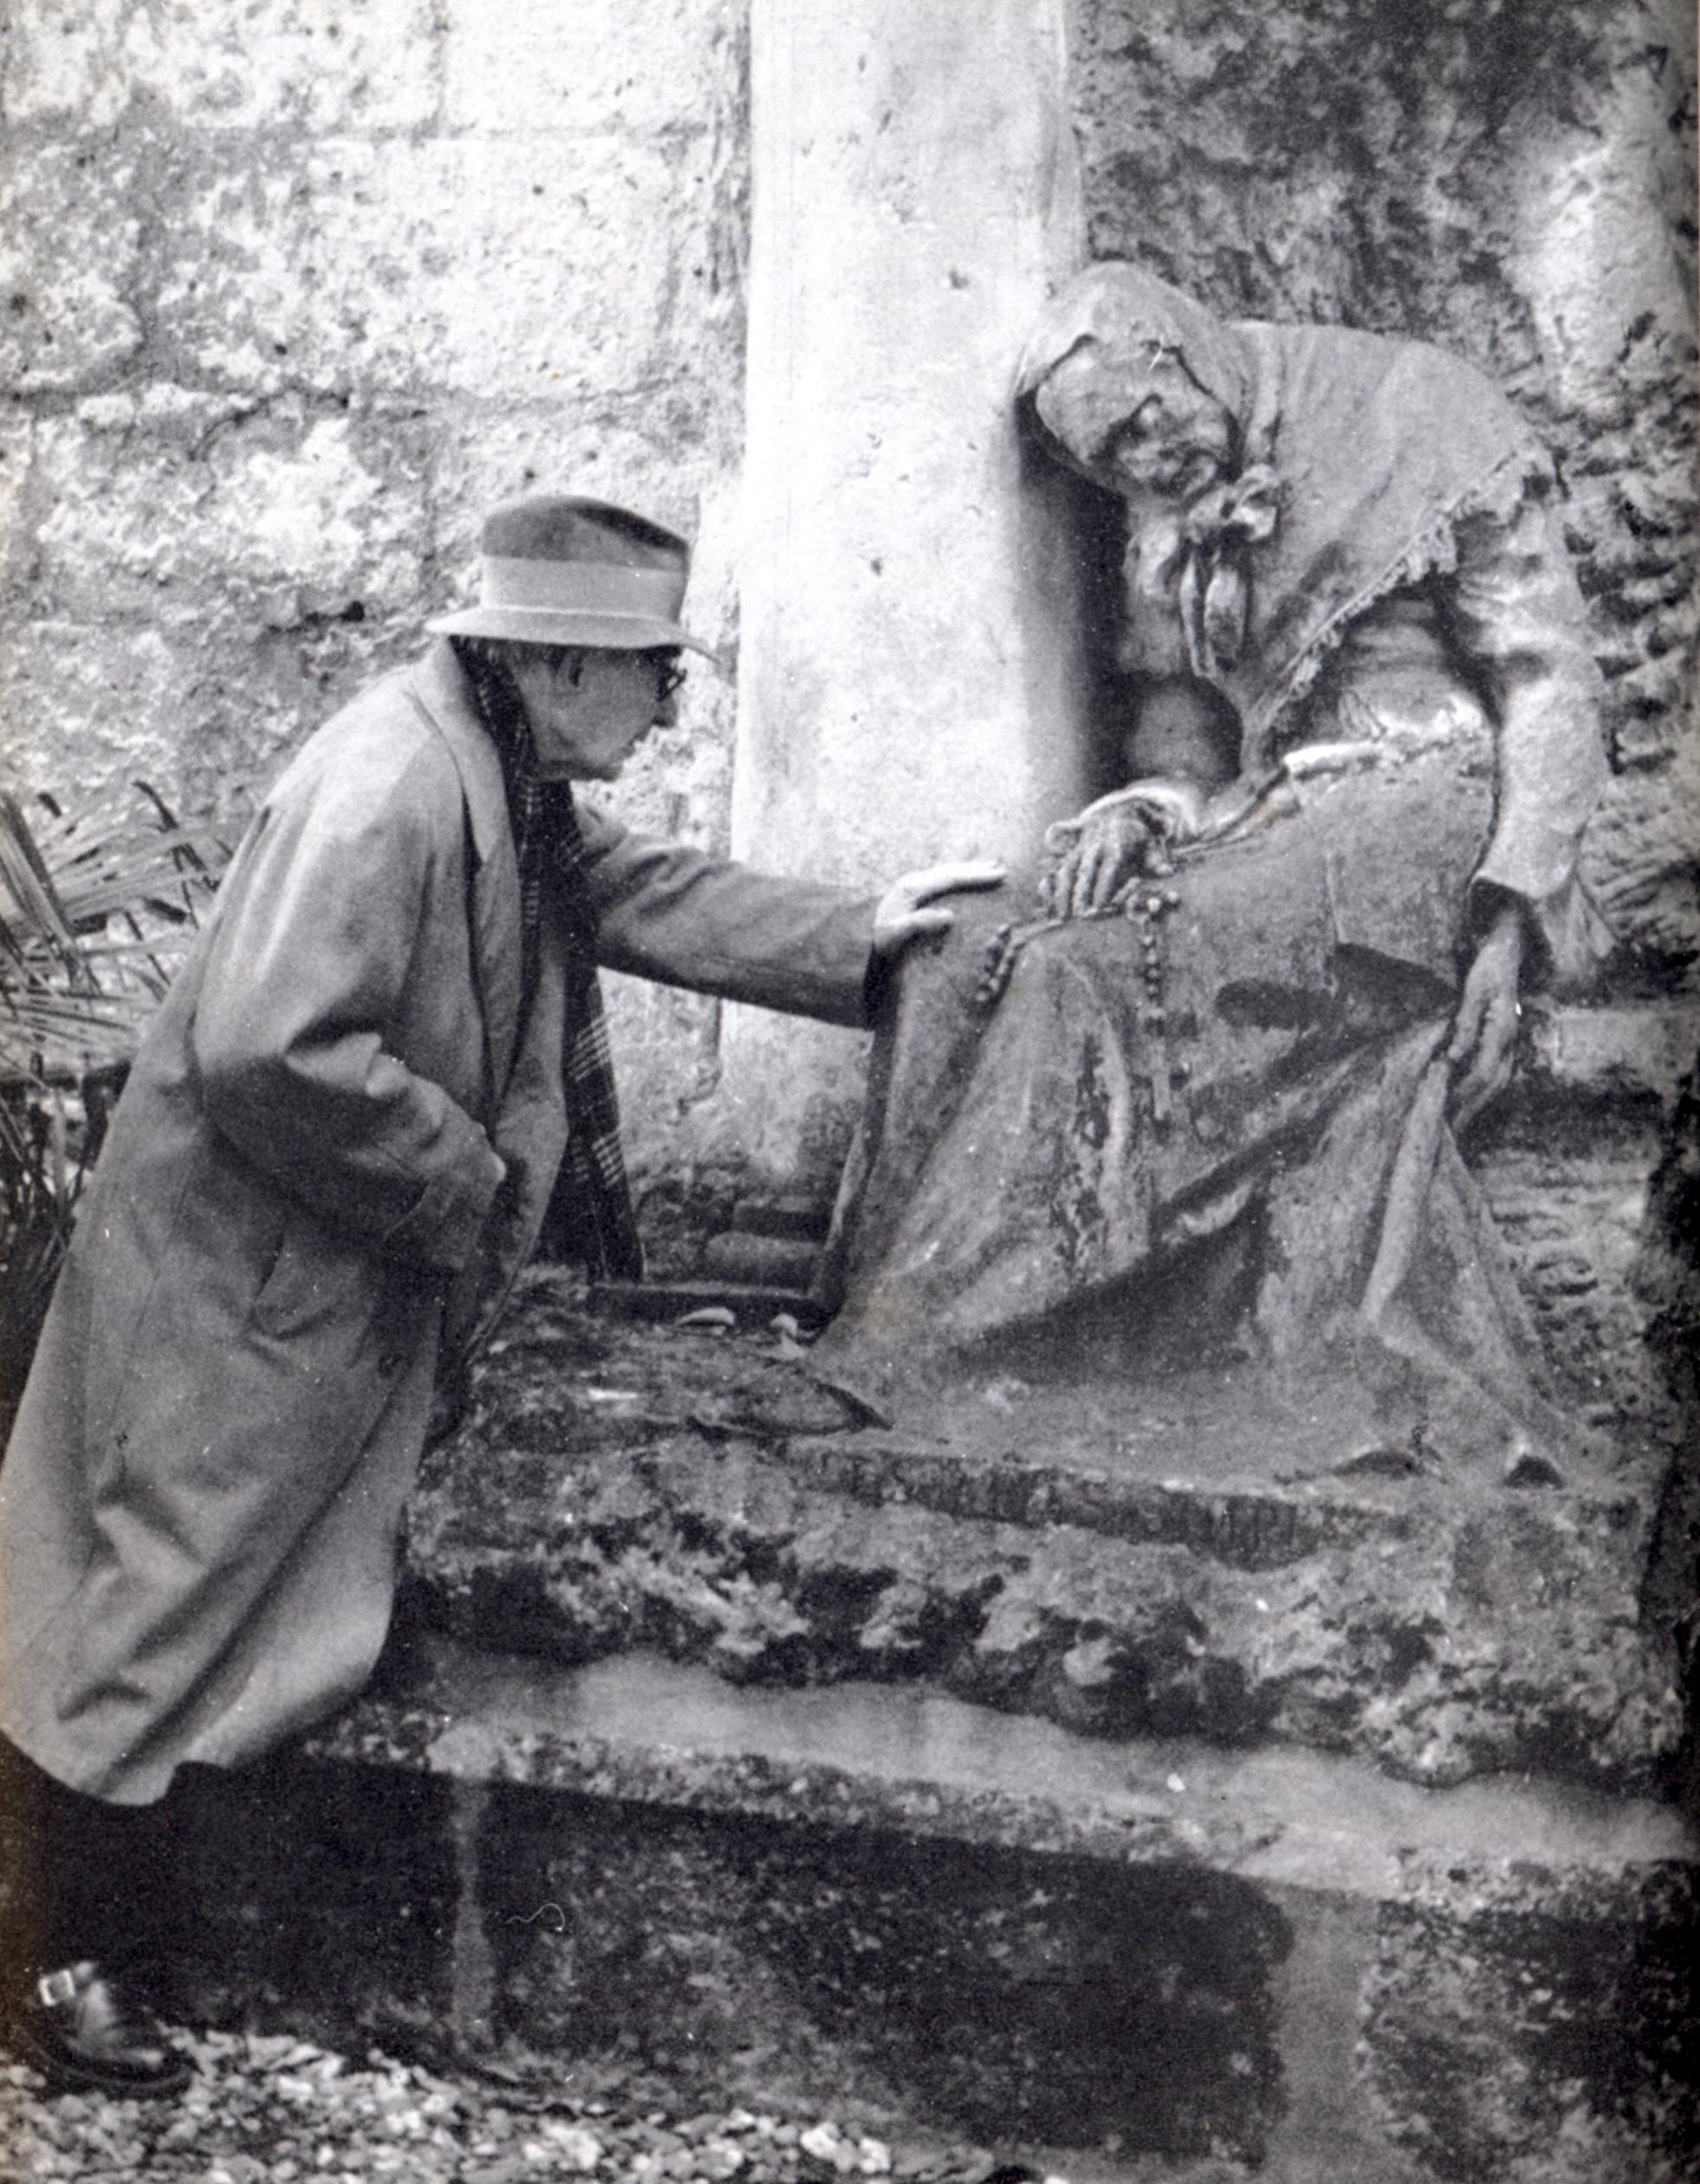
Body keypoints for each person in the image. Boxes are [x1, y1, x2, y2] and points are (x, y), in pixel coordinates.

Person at [0, 493, 1000, 2096]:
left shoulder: (497, 764)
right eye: (654, 674)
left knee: (191, 1586)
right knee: (153, 1594)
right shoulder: (392, 785)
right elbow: (271, 1045)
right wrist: (465, 1178)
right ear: (552, 661)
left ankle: (97, 1922)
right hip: (247, 1272)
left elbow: (635, 890)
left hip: (299, 1260)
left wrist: (861, 937)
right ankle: (54, 1955)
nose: (673, 704)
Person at [821, 263, 1608, 1477]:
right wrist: (1146, 803)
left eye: (1148, 423)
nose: (1147, 467)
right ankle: (943, 1323)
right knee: (979, 948)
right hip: (1267, 806)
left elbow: (1546, 677)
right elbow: (1186, 711)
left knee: (1082, 974)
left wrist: (1513, 920)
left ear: (1182, 353)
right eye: (1111, 463)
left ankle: (952, 1341)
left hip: (1426, 814)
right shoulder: (1163, 492)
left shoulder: (1417, 402)